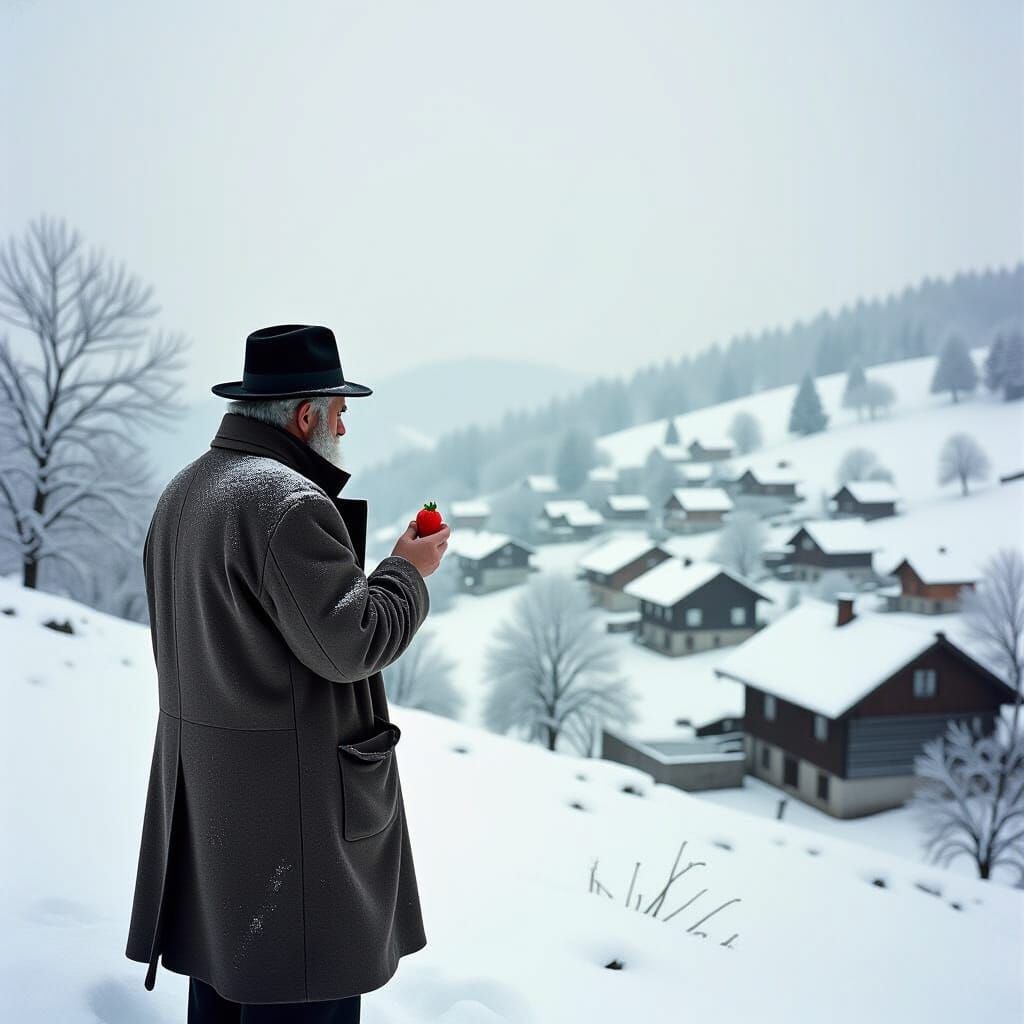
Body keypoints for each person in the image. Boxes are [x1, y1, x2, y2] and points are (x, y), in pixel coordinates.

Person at [124, 324, 449, 1021]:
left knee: (227, 990)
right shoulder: (287, 503)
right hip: (296, 830)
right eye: (339, 409)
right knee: (305, 991)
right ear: (306, 416)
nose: (344, 422)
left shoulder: (188, 490)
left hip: (218, 815)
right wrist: (408, 572)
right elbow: (351, 643)